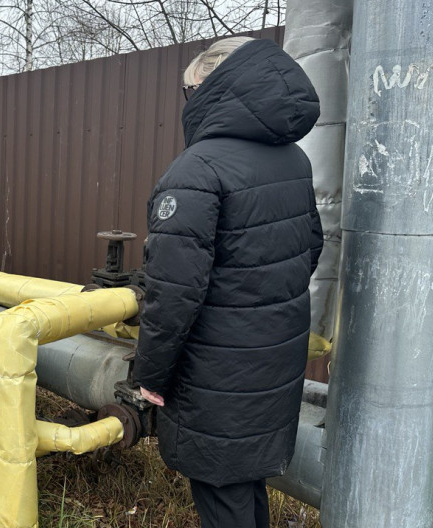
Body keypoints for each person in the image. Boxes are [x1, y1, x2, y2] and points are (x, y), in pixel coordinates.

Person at [132, 37, 323, 528]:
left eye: (189, 91)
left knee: (221, 490)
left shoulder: (197, 168)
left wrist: (149, 377)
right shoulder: (293, 160)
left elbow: (173, 295)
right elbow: (310, 248)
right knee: (245, 483)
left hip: (215, 372)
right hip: (272, 358)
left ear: (210, 87)